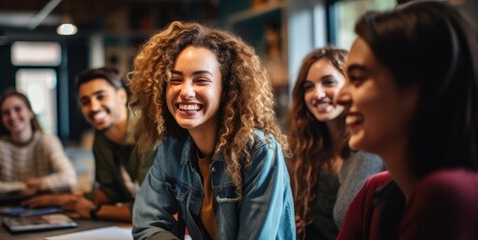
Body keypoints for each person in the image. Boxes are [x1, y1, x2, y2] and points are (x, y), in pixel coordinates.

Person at [128, 21, 296, 239]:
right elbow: (147, 225)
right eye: (175, 80)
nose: (185, 91)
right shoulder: (172, 148)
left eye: (201, 80)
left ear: (226, 89)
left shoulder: (259, 150)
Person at [335, 1, 478, 239]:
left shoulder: (445, 195)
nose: (341, 97)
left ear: (418, 88)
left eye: (358, 78)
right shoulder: (374, 192)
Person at [23, 67, 154, 222]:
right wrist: (59, 199)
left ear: (121, 97)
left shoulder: (149, 132)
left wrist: (94, 211)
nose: (93, 107)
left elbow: (151, 209)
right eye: (85, 101)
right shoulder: (101, 138)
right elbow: (110, 192)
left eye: (101, 96)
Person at [287, 47, 383, 240]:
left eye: (328, 82)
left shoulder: (370, 149)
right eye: (308, 87)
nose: (318, 94)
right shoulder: (304, 150)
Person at [0, 90, 77, 196]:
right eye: (6, 113)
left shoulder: (48, 141)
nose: (12, 116)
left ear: (30, 112)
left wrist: (40, 183)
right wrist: (21, 186)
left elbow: (70, 178)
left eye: (18, 109)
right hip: (5, 207)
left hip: (44, 205)